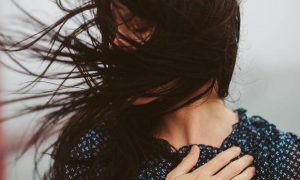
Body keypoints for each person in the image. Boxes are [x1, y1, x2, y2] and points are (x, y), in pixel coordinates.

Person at [0, 0, 299, 179]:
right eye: (113, 28)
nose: (117, 42)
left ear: (196, 32)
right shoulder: (91, 150)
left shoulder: (281, 158)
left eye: (139, 27)